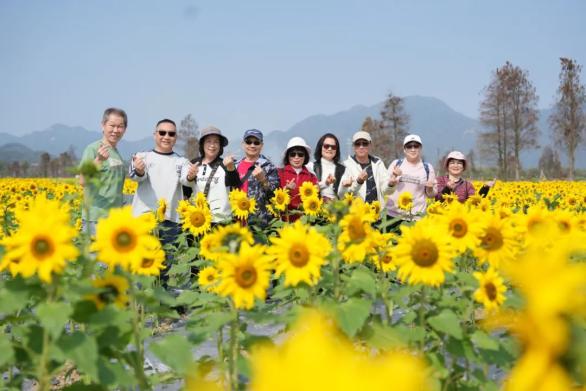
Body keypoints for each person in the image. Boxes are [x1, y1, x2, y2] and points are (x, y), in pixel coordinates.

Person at [129, 119, 197, 284]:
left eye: (171, 134)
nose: (166, 136)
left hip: (170, 220)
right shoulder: (142, 157)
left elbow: (186, 180)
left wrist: (191, 175)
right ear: (155, 135)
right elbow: (137, 177)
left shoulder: (181, 162)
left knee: (165, 266)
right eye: (162, 132)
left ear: (175, 137)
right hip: (143, 219)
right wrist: (138, 170)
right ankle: (141, 304)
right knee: (142, 264)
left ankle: (162, 303)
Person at [79, 107, 128, 233]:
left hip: (113, 220)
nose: (116, 130)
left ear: (124, 129)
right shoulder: (93, 149)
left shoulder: (116, 153)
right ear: (103, 126)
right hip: (95, 220)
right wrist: (99, 160)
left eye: (120, 126)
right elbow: (82, 181)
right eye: (112, 125)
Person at [183, 126, 240, 222]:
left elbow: (235, 184)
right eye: (208, 141)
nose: (212, 145)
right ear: (202, 144)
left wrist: (231, 168)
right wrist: (190, 177)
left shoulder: (226, 163)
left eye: (216, 142)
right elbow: (186, 193)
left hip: (222, 221)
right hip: (199, 222)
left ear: (220, 146)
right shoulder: (194, 163)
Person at [233, 129, 280, 227]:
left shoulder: (268, 166)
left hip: (259, 223)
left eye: (256, 142)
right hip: (237, 221)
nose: (252, 145)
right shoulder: (235, 166)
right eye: (248, 142)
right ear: (243, 144)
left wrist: (263, 180)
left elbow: (274, 196)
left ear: (261, 146)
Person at [386, 134, 437, 221]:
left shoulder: (427, 168)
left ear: (420, 149)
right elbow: (385, 189)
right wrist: (392, 180)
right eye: (409, 146)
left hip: (416, 217)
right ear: (404, 149)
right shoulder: (396, 164)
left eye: (416, 146)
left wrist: (430, 189)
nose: (413, 149)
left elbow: (432, 195)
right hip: (393, 216)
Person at [338, 131, 389, 206]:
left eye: (365, 143)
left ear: (370, 145)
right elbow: (342, 195)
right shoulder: (345, 166)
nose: (361, 147)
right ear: (353, 146)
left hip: (376, 213)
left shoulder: (378, 163)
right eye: (357, 144)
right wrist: (358, 182)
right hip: (356, 215)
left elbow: (386, 190)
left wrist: (391, 184)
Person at [278, 137, 318, 221]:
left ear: (305, 157)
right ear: (288, 156)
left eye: (300, 154)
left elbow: (315, 197)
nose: (296, 157)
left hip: (304, 220)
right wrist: (286, 190)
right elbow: (273, 195)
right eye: (293, 154)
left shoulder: (311, 176)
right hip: (284, 220)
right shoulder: (280, 173)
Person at [306, 133, 346, 201]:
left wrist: (345, 186)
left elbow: (343, 195)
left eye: (333, 147)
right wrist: (326, 183)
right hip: (315, 207)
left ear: (337, 150)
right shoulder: (310, 167)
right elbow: (308, 190)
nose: (330, 149)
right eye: (326, 146)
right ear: (320, 147)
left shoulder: (343, 169)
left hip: (336, 208)